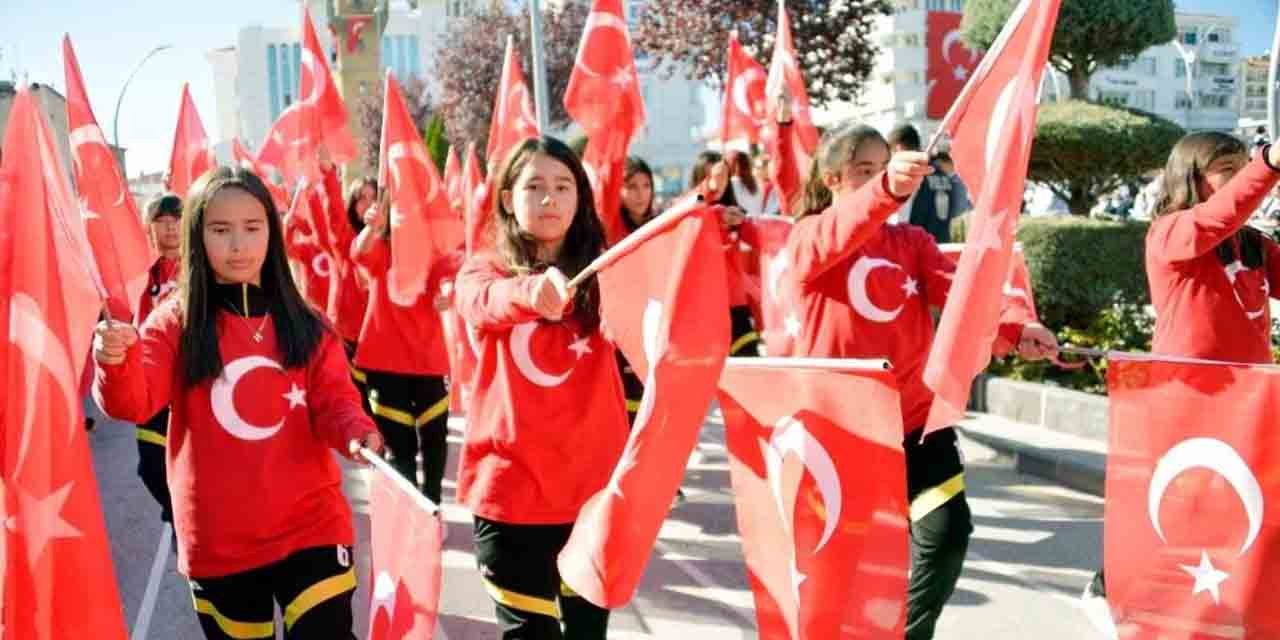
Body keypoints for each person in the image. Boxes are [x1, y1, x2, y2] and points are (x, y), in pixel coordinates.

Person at [785, 123, 1058, 640]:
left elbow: (965, 293)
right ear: (832, 178)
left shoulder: (912, 243)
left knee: (946, 535)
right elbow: (839, 230)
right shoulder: (809, 239)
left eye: (882, 168)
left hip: (914, 424)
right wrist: (885, 189)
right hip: (841, 434)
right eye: (864, 171)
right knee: (843, 568)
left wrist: (1016, 327)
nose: (877, 180)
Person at [93, 166, 383, 639]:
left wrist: (358, 432)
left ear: (272, 231)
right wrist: (114, 361)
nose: (238, 246)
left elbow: (336, 400)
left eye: (252, 228)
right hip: (220, 541)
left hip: (313, 525)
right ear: (197, 236)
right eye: (220, 230)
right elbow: (133, 402)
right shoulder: (173, 323)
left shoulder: (307, 323)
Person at [1081, 132, 1280, 633]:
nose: (1241, 177)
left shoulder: (1253, 245)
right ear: (1190, 178)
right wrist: (1269, 163)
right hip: (1188, 406)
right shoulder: (1170, 233)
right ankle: (1110, 588)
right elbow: (1217, 217)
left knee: (1242, 514)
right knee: (1182, 513)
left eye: (1245, 166)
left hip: (1248, 407)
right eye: (1227, 169)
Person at [455, 136, 626, 640]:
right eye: (534, 186)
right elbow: (481, 301)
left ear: (581, 198)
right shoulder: (483, 269)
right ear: (509, 199)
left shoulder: (609, 272)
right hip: (510, 496)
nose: (550, 198)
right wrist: (533, 291)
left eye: (563, 186)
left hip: (592, 498)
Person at [349, 194, 456, 504]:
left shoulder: (434, 257)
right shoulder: (382, 251)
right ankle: (413, 513)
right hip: (386, 365)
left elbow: (449, 278)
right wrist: (371, 228)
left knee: (435, 443)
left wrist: (448, 293)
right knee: (400, 448)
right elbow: (359, 252)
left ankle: (433, 505)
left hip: (429, 364)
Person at [134, 192, 184, 526]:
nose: (169, 228)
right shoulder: (140, 274)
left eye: (175, 220)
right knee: (151, 466)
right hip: (153, 382)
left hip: (192, 377)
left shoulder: (200, 266)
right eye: (161, 221)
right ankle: (179, 515)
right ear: (148, 228)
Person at [691, 151, 758, 357]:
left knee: (748, 366)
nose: (718, 182)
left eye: (723, 177)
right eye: (711, 176)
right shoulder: (689, 211)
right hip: (705, 306)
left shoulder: (737, 213)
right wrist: (710, 190)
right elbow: (696, 211)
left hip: (736, 305)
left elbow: (759, 235)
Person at [887, 124, 967, 243]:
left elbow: (899, 221)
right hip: (942, 244)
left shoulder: (910, 173)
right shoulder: (942, 174)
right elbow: (958, 209)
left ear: (898, 148)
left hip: (916, 247)